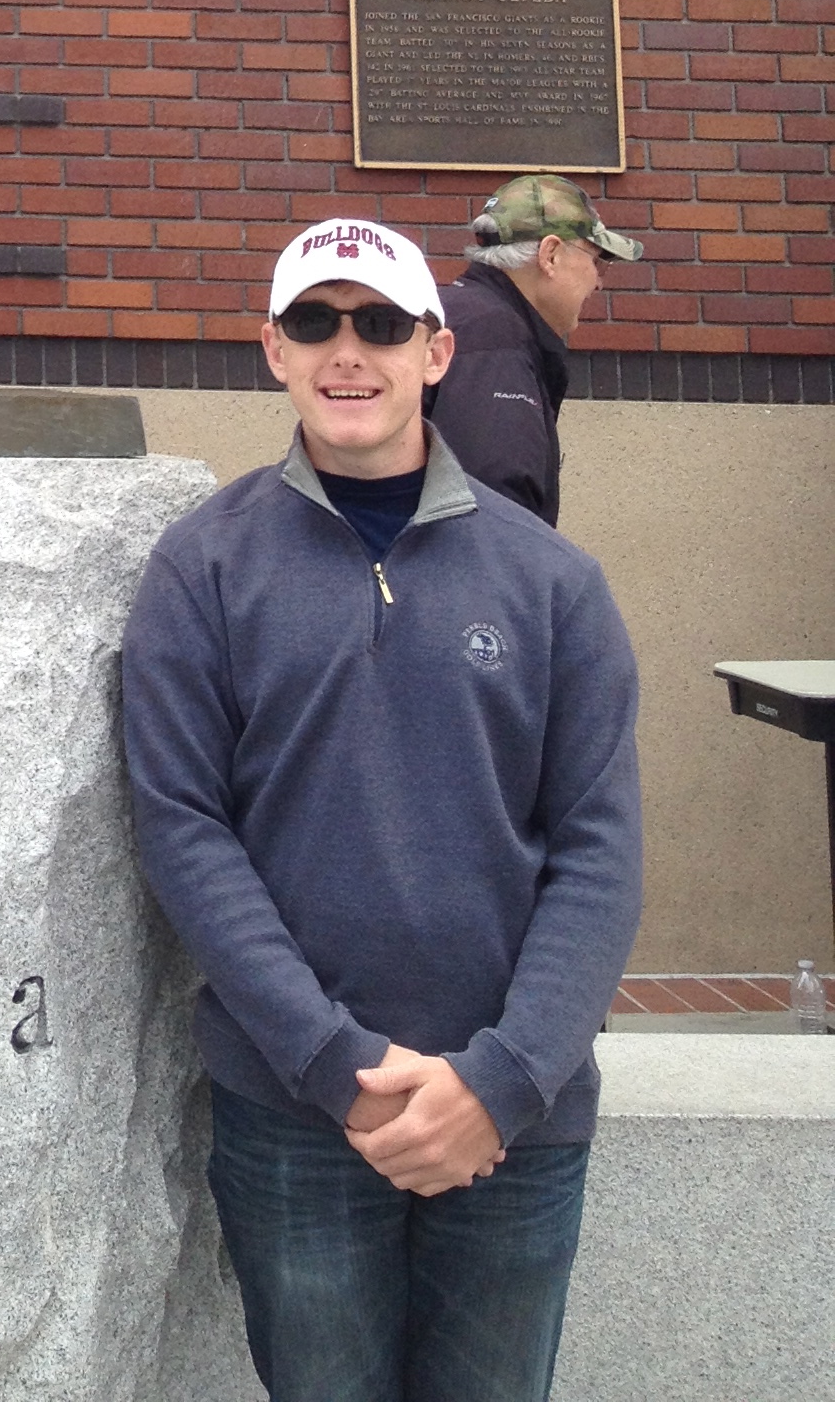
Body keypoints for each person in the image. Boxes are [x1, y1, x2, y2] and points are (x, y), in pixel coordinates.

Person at [121, 215, 642, 1402]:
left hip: (514, 1119)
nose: (346, 351)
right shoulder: (201, 570)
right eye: (315, 322)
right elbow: (184, 830)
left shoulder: (555, 583)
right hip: (298, 1116)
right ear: (274, 350)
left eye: (380, 323)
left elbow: (600, 849)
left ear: (436, 353)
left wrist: (502, 1082)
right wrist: (337, 1062)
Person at [428, 175, 643, 528]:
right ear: (551, 255)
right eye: (598, 260)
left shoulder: (461, 316)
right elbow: (495, 515)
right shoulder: (494, 340)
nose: (599, 280)